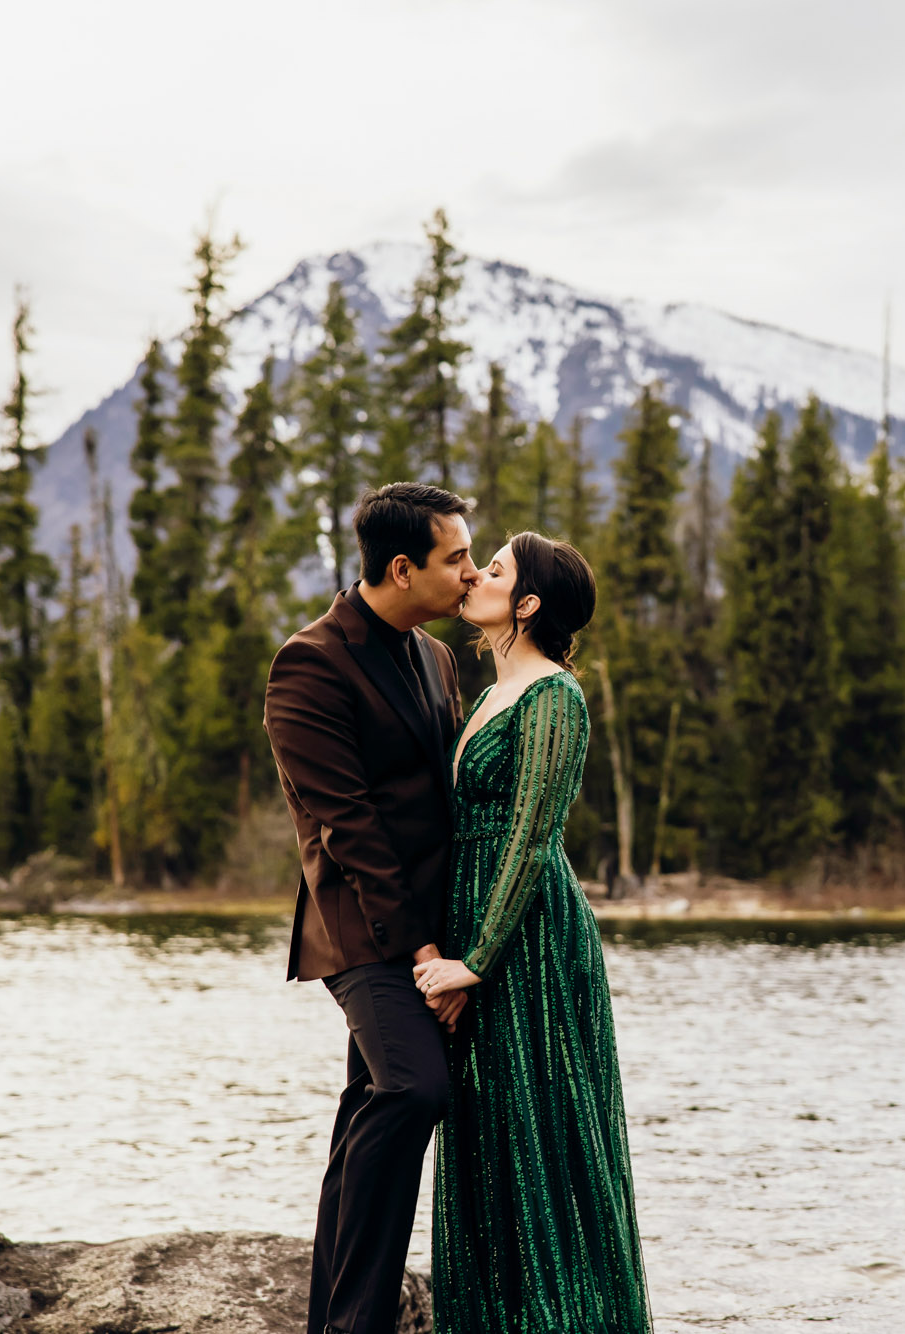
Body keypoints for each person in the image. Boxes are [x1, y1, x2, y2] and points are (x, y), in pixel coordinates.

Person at [413, 531, 652, 1334]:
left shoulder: (555, 697)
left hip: (530, 946)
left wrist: (475, 962)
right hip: (476, 934)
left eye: (498, 570)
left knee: (541, 1138)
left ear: (528, 604)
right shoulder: (485, 693)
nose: (476, 575)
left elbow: (531, 835)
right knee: (485, 1141)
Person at [262, 482, 479, 1334]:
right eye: (455, 557)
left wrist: (463, 944)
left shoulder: (434, 658)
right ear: (402, 567)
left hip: (434, 935)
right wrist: (425, 953)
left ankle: (336, 1323)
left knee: (368, 1113)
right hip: (362, 933)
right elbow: (346, 827)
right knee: (416, 1090)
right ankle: (359, 1324)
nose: (468, 572)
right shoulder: (309, 662)